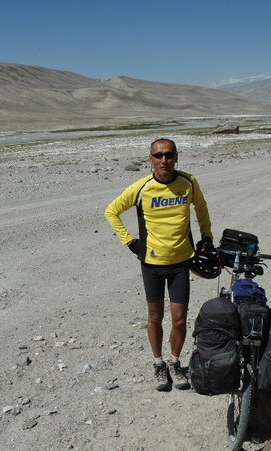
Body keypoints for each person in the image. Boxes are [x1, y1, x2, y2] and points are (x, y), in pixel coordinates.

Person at [104, 138, 214, 391]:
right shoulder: (142, 187)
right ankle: (158, 364)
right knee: (155, 317)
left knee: (179, 319)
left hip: (181, 262)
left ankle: (175, 363)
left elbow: (201, 208)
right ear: (150, 159)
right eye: (158, 155)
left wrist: (206, 236)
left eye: (169, 155)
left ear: (177, 157)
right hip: (152, 263)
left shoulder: (188, 182)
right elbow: (111, 211)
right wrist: (131, 243)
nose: (164, 160)